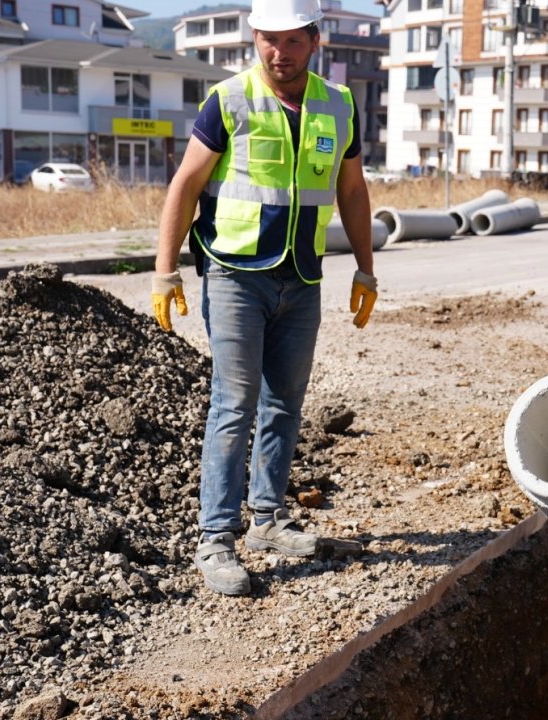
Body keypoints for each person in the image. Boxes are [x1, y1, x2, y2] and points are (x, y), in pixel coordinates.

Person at [151, 0, 376, 596]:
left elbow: (352, 190)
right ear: (254, 39)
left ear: (314, 40)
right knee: (234, 403)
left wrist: (366, 270)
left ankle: (268, 520)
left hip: (302, 277)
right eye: (268, 40)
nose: (280, 53)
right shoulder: (228, 100)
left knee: (285, 403)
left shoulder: (338, 104)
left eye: (292, 41)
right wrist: (164, 272)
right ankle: (215, 539)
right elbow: (186, 183)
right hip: (235, 275)